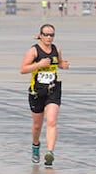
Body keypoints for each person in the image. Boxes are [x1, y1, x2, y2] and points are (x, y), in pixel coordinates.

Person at [20, 24, 67, 166]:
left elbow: (59, 63)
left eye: (51, 35)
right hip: (37, 91)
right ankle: (35, 146)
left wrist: (64, 65)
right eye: (46, 34)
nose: (49, 37)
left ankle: (50, 153)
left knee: (52, 121)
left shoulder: (55, 49)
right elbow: (23, 69)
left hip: (53, 90)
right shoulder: (34, 51)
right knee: (37, 125)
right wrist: (39, 64)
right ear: (40, 35)